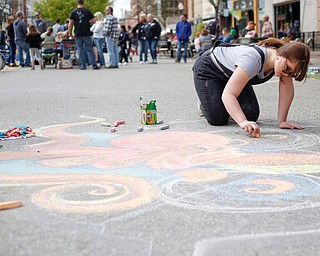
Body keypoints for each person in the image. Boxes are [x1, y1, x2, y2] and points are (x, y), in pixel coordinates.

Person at [193, 38, 310, 138]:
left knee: (251, 115)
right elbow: (229, 94)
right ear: (281, 54)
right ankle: (204, 103)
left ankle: (221, 92)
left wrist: (282, 121)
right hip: (209, 69)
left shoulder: (282, 64)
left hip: (231, 75)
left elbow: (287, 91)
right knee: (218, 118)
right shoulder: (253, 60)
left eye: (291, 73)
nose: (286, 74)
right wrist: (243, 122)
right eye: (287, 68)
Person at [68, 0, 99, 70]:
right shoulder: (87, 11)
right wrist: (88, 23)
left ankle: (83, 65)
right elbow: (93, 21)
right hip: (87, 33)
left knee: (80, 49)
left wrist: (69, 33)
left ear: (77, 4)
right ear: (83, 3)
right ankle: (94, 65)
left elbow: (70, 24)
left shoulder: (73, 12)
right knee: (89, 49)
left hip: (78, 33)